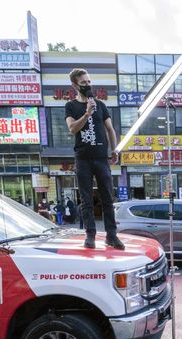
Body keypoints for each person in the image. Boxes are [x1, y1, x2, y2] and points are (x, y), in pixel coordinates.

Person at [65, 68, 124, 250]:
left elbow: (110, 129)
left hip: (101, 157)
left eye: (89, 82)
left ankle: (111, 235)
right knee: (86, 198)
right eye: (84, 83)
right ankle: (90, 235)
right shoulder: (71, 106)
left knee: (108, 197)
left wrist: (114, 149)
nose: (88, 85)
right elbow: (72, 129)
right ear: (75, 85)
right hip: (83, 158)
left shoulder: (100, 104)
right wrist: (87, 114)